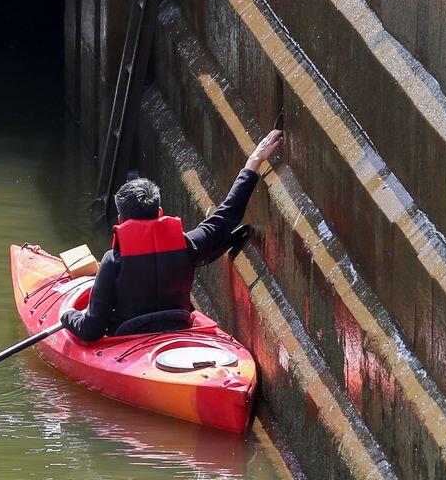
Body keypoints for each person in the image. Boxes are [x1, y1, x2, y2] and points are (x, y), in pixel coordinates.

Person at [62, 130, 285, 342]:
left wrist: (67, 315)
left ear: (121, 220)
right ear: (159, 213)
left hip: (128, 340)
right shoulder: (186, 246)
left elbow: (91, 330)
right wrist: (253, 163)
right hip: (179, 329)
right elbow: (227, 215)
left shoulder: (113, 261)